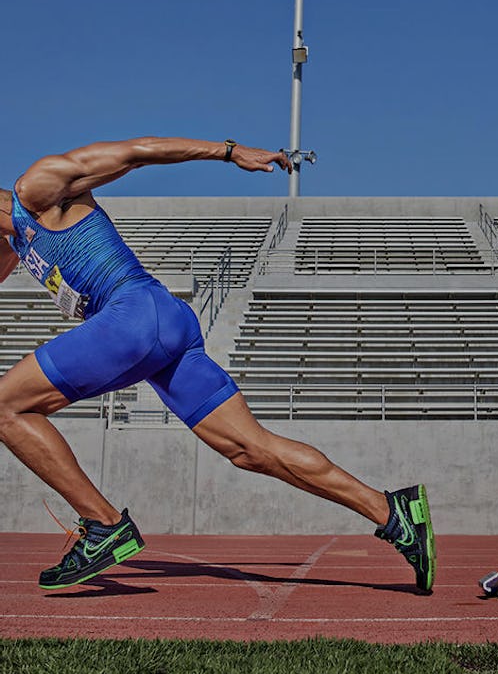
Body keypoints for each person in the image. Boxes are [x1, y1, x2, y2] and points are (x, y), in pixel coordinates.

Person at [0, 136, 435, 592]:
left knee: (8, 407)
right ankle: (393, 513)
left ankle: (104, 524)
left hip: (133, 315)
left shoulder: (37, 187)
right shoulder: (14, 241)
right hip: (164, 325)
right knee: (250, 448)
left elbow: (136, 152)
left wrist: (228, 152)